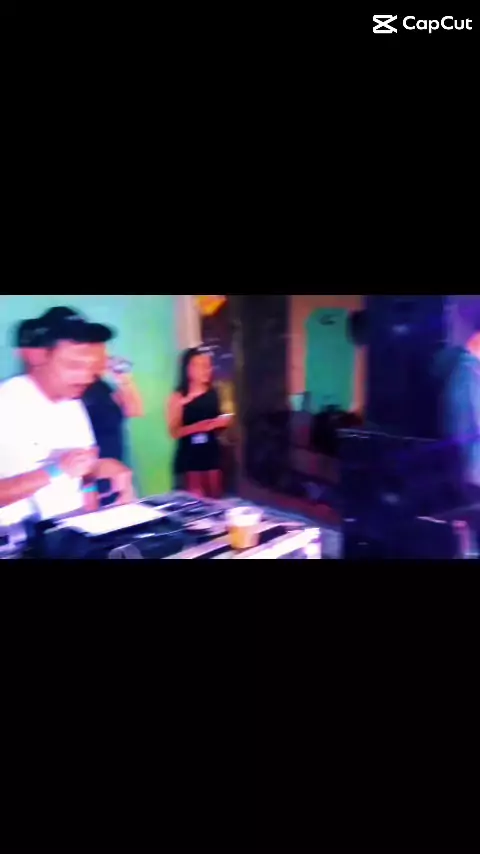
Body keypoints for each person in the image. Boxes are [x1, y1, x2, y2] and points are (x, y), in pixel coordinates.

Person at [0, 308, 134, 527]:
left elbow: (83, 470)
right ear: (38, 356)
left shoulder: (72, 402)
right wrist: (54, 470)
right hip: (18, 537)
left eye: (92, 368)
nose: (87, 377)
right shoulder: (6, 402)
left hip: (71, 530)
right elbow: (63, 468)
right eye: (74, 365)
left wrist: (105, 468)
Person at [167, 347, 233, 497]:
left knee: (216, 500)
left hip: (212, 454)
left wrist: (223, 421)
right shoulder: (178, 397)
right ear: (188, 369)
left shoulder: (215, 392)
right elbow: (174, 432)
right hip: (189, 457)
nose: (206, 370)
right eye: (200, 365)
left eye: (208, 365)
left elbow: (225, 415)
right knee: (194, 502)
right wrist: (200, 427)